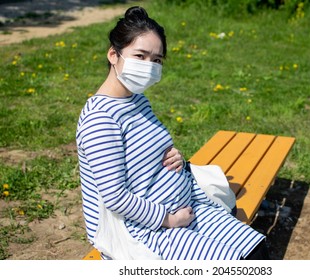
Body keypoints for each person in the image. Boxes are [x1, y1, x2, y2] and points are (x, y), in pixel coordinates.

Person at [76, 6, 268, 260]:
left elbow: (145, 149)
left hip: (187, 206)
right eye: (140, 56)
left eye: (156, 60)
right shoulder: (100, 119)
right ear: (114, 54)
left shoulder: (137, 100)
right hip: (148, 230)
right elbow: (115, 196)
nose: (149, 66)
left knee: (257, 251)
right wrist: (169, 219)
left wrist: (173, 155)